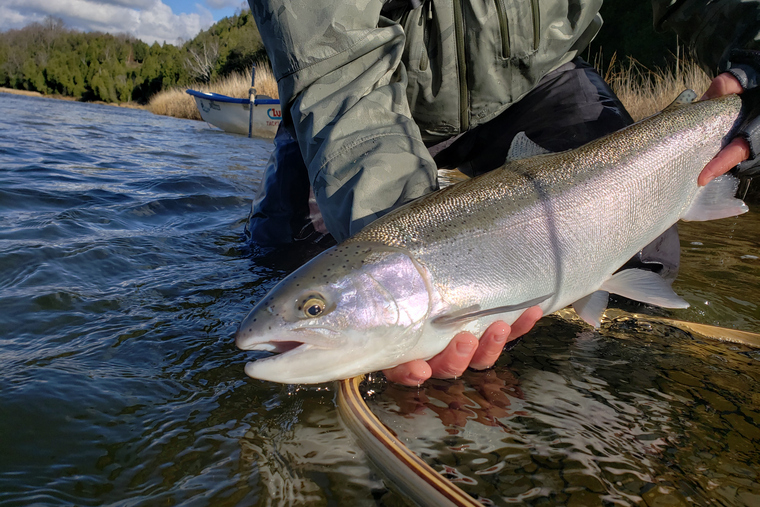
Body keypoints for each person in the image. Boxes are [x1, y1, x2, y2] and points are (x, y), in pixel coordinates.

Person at [246, 0, 760, 386]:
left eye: (314, 309)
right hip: (357, 100)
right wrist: (393, 222)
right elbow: (334, 63)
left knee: (650, 253)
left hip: (533, 81)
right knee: (278, 259)